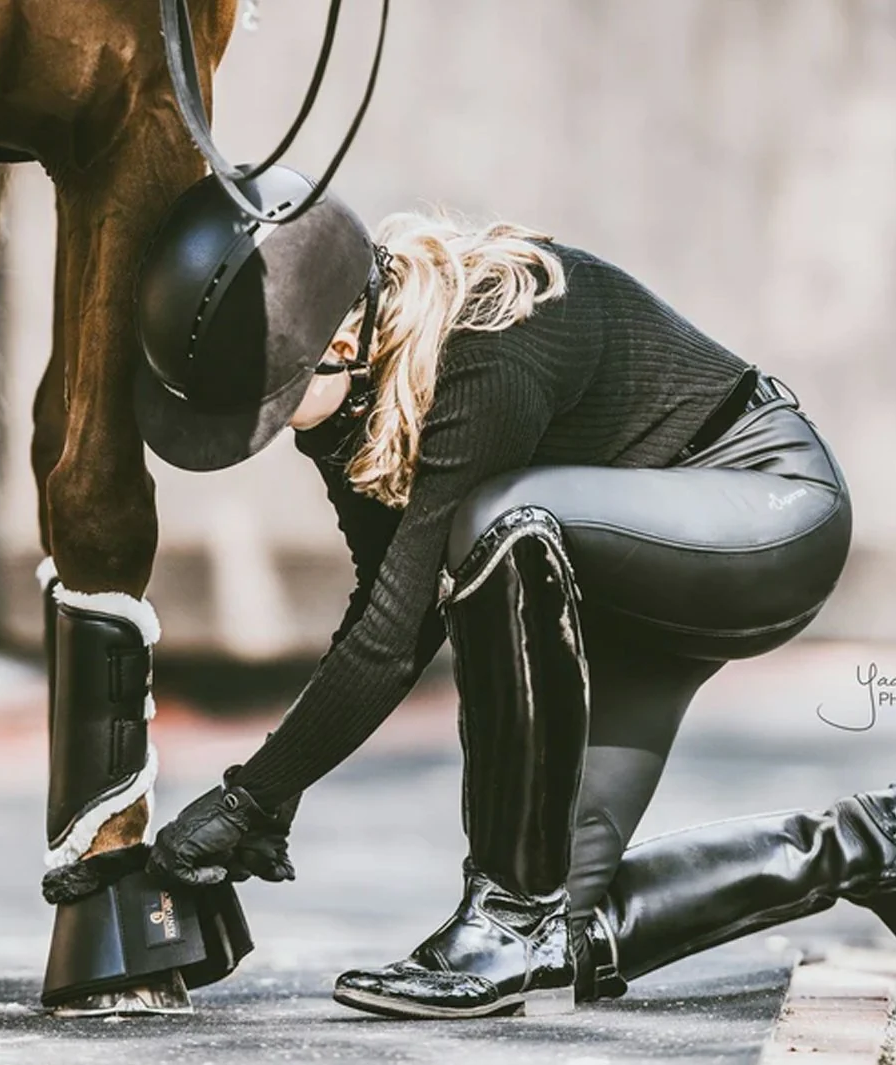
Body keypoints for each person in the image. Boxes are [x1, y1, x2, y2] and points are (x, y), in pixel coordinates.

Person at [130, 164, 871, 1020]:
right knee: (567, 918)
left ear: (336, 342)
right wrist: (275, 795)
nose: (261, 435)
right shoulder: (350, 394)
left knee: (500, 516)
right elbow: (384, 605)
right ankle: (866, 843)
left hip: (766, 514)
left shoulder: (487, 344)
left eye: (268, 405)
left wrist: (247, 795)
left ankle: (502, 915)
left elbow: (402, 625)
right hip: (621, 586)